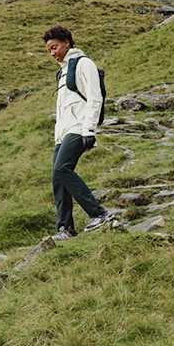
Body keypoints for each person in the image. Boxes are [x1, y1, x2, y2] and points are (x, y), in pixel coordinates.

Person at [43, 25, 112, 238]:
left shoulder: (84, 63)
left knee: (62, 169)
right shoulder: (62, 72)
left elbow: (95, 97)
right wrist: (57, 137)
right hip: (63, 133)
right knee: (57, 177)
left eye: (54, 47)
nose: (52, 53)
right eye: (49, 50)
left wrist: (89, 129)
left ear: (66, 43)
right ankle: (65, 228)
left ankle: (99, 214)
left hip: (79, 127)